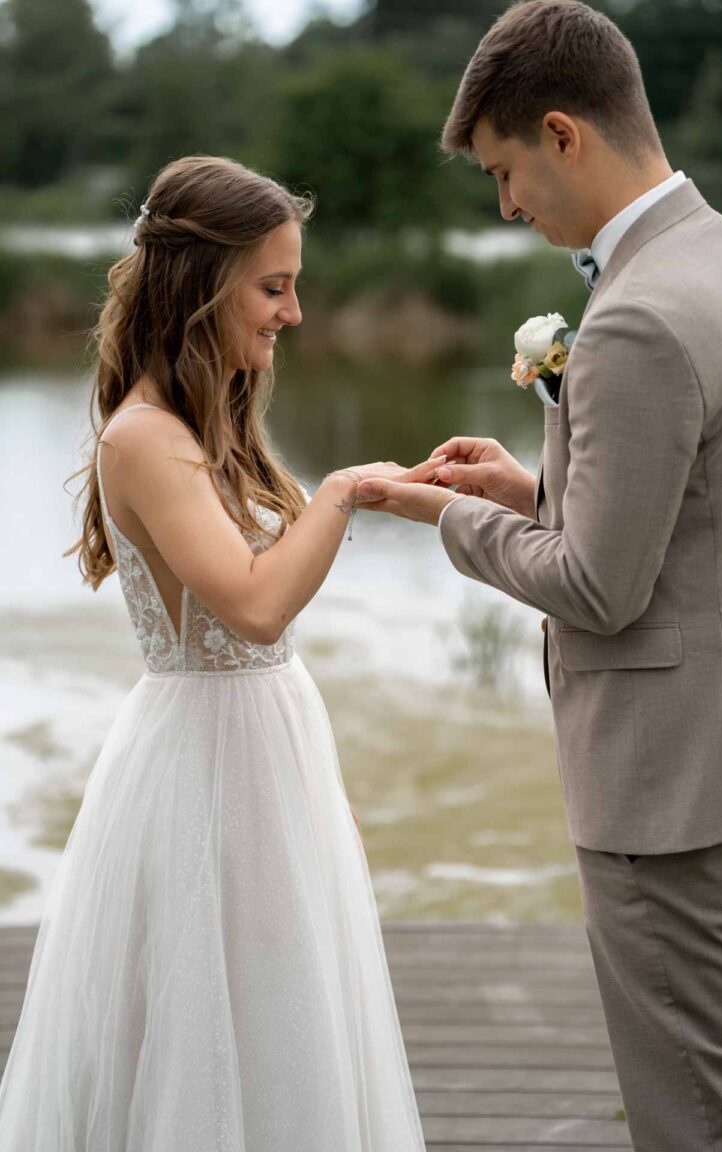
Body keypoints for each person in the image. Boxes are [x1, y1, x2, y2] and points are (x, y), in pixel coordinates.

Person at [355, 2, 722, 1148]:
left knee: (698, 1116)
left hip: (663, 782)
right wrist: (526, 491)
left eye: (505, 171)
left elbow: (597, 588)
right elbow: (700, 519)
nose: (508, 207)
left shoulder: (635, 316)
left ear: (562, 132)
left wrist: (440, 514)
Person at [0, 155, 432, 1151]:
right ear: (204, 286)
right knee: (212, 1014)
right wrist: (342, 494)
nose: (294, 312)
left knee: (284, 998)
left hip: (267, 750)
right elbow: (251, 608)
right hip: (204, 766)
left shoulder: (206, 425)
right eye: (274, 286)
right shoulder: (146, 438)